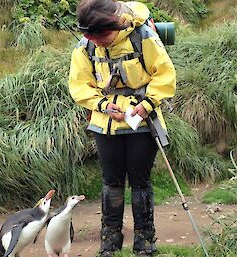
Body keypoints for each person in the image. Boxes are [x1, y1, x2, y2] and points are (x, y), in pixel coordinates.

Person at [68, 0, 176, 256]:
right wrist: (103, 104)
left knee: (140, 182)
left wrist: (148, 104)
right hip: (104, 124)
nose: (97, 42)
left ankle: (145, 243)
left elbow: (164, 73)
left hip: (142, 120)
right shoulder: (86, 46)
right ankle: (109, 244)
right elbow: (80, 85)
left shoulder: (143, 37)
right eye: (90, 36)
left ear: (114, 25)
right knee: (111, 181)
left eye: (101, 36)